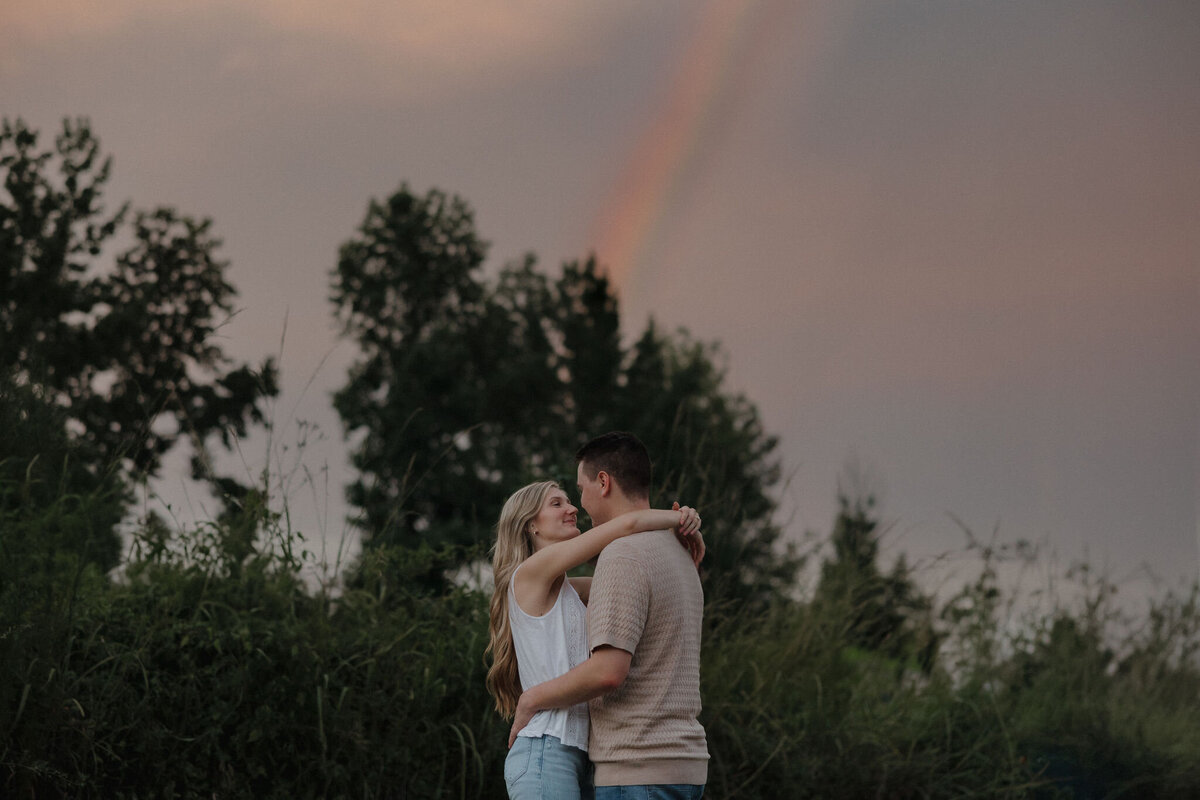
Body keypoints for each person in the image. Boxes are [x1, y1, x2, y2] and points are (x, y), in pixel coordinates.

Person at [509, 432, 710, 799]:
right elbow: (628, 525)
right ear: (531, 524)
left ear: (603, 483)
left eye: (577, 492)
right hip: (568, 753)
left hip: (630, 763)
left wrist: (532, 697)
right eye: (557, 503)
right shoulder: (676, 555)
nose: (575, 506)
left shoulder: (618, 561)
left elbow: (607, 671)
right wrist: (679, 518)